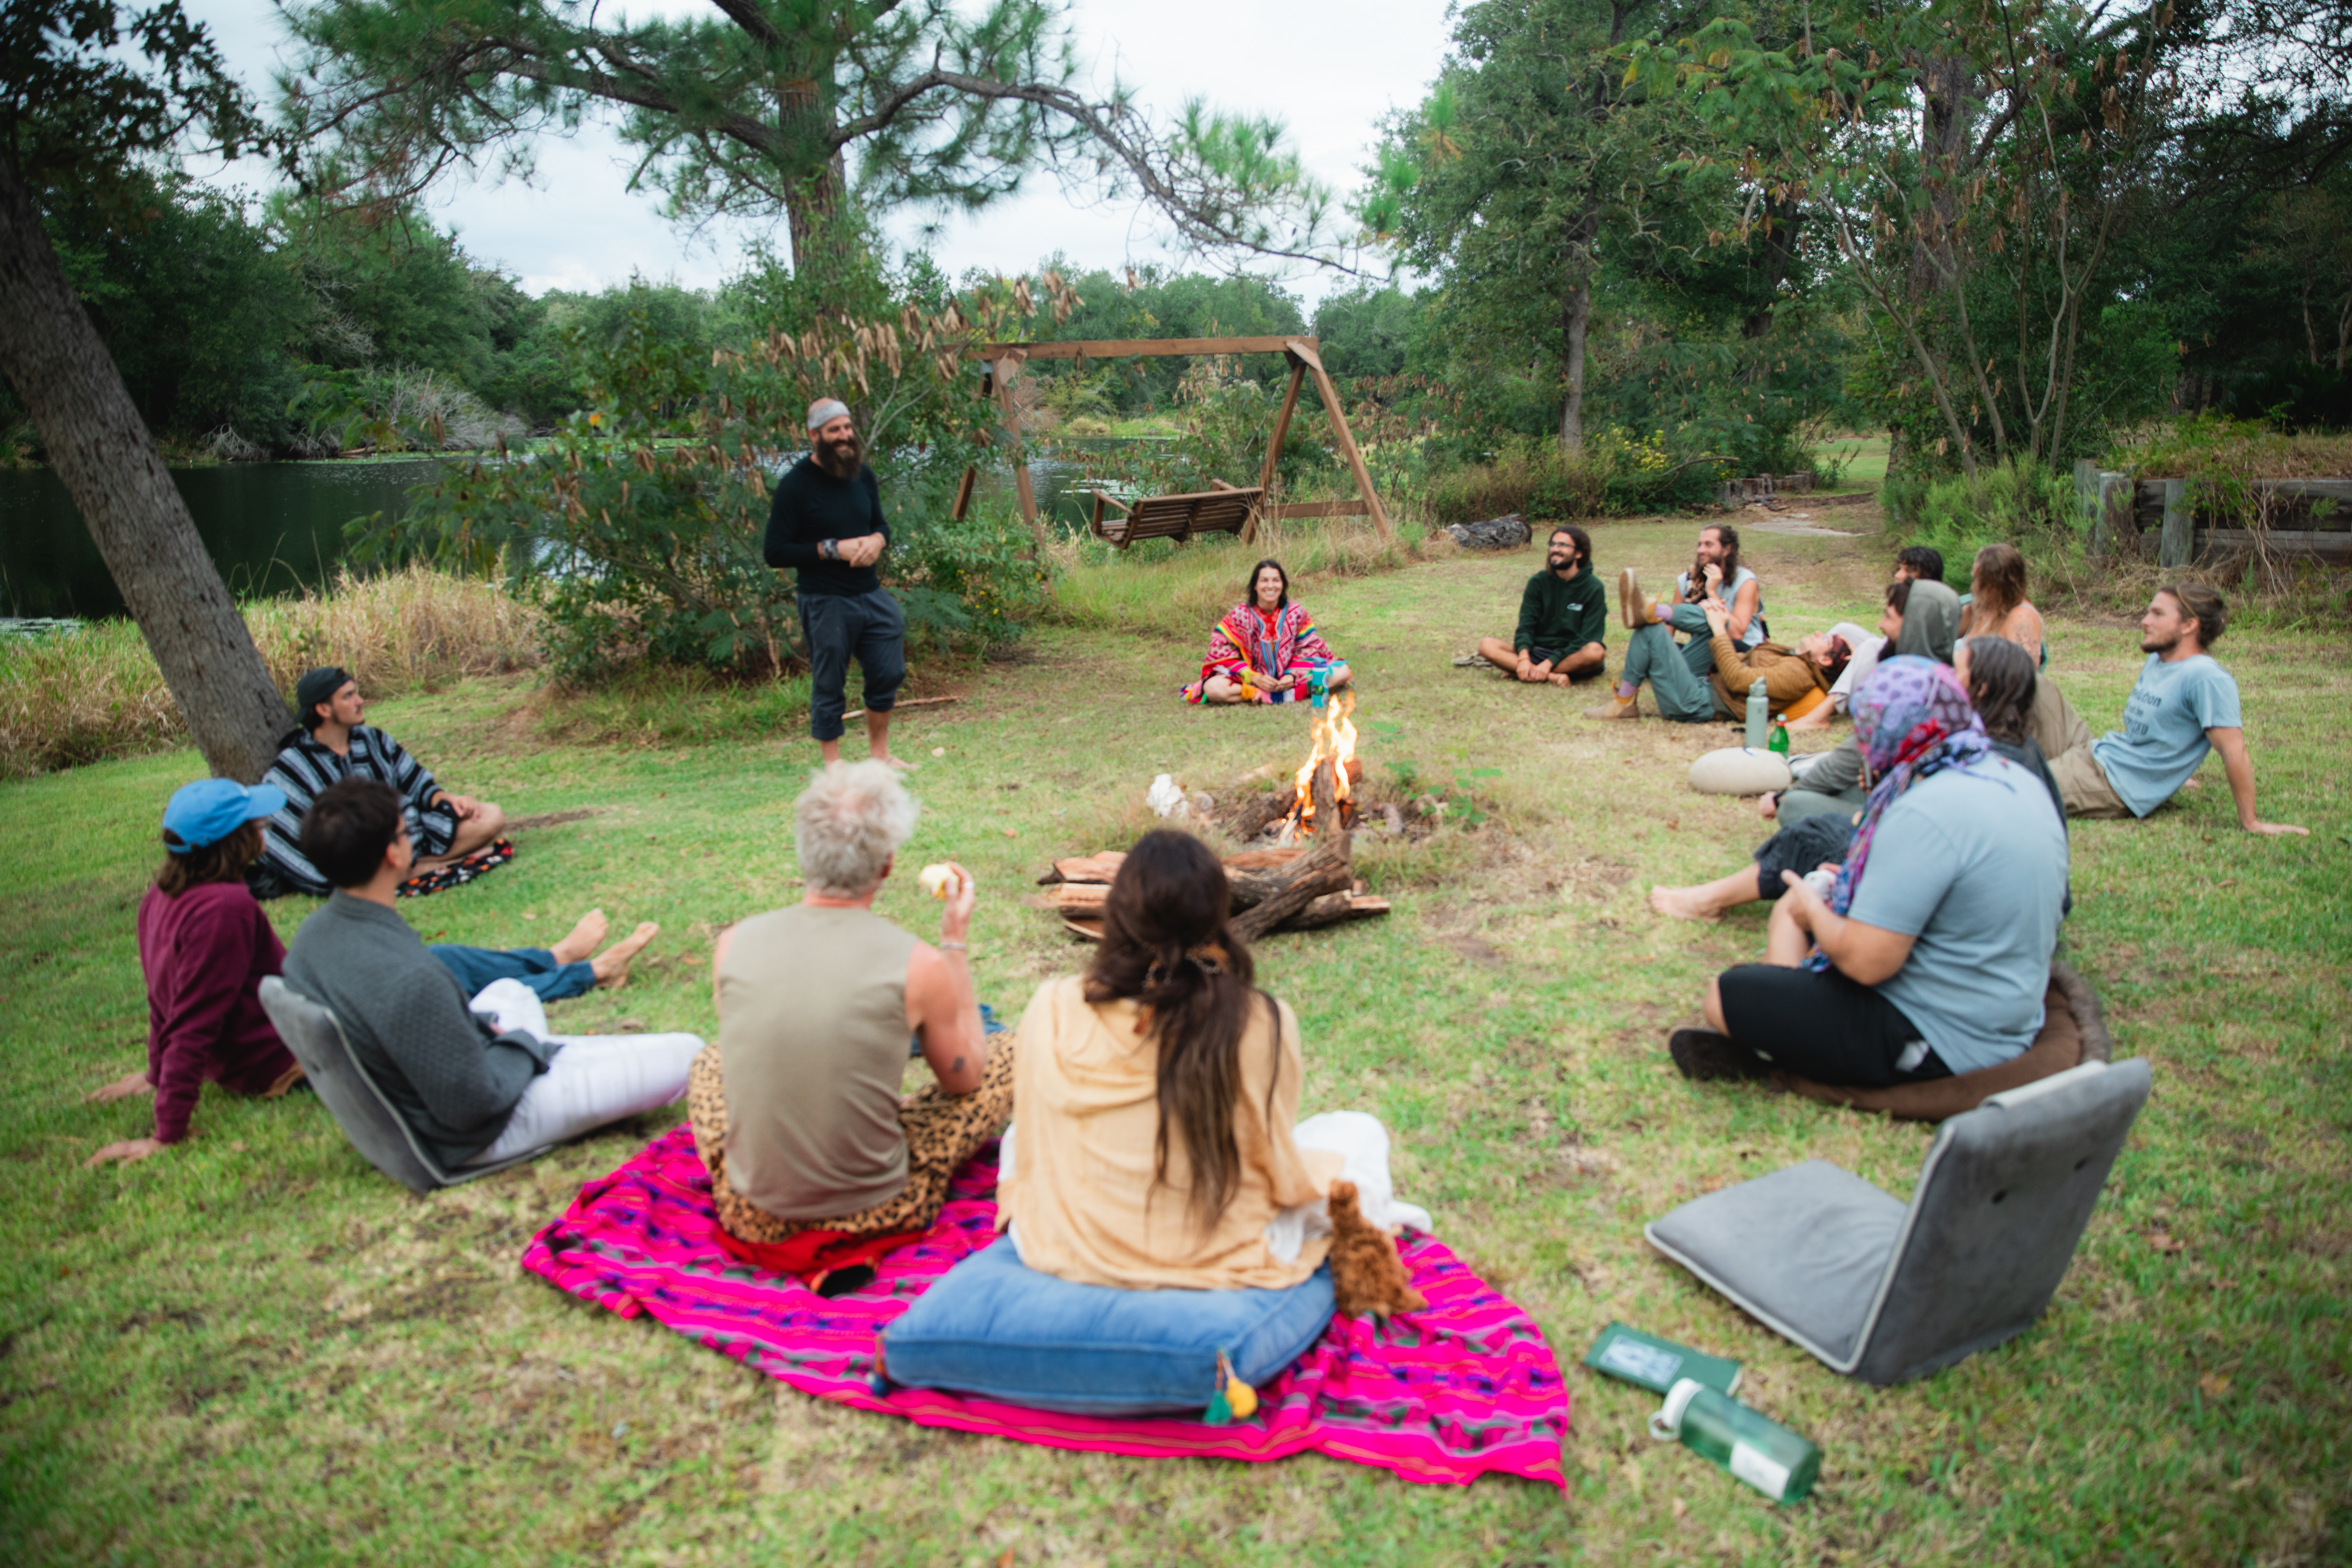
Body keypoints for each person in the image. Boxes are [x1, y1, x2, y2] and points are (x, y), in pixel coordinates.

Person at [85, 780, 662, 1167]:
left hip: (289, 1021)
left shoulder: (164, 898)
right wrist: (167, 1132)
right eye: (254, 821)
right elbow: (191, 1017)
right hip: (280, 1057)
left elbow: (165, 998)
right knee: (436, 978)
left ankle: (555, 957)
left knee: (442, 961)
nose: (265, 826)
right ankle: (588, 972)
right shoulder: (223, 910)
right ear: (233, 838)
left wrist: (156, 1073)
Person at [997, 831, 1420, 1290]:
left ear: (1117, 915)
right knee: (1360, 1132)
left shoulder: (1052, 1005)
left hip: (1065, 1245)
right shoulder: (1261, 1020)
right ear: (1219, 916)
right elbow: (1275, 1164)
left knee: (1016, 1137)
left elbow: (1034, 1141)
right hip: (1216, 1250)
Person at [1668, 657, 2070, 1088]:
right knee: (1801, 911)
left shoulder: (1924, 807)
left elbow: (1866, 963)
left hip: (1945, 1038)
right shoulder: (2007, 773)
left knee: (1728, 995)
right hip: (2005, 1010)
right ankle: (1787, 1020)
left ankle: (1782, 1049)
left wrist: (1814, 912)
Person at [282, 778, 702, 1169]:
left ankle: (566, 1002)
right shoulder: (410, 980)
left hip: (438, 1081)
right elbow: (474, 1102)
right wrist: (519, 1045)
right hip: (475, 1132)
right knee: (689, 1052)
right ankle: (562, 1032)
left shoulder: (313, 938)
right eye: (404, 830)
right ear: (394, 854)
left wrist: (491, 1034)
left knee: (509, 992)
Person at [688, 762, 1009, 1272]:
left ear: (805, 851)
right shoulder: (919, 963)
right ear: (886, 864)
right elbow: (964, 1079)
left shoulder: (732, 944)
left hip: (752, 1211)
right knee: (1006, 1056)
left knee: (709, 1062)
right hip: (878, 1209)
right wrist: (954, 943)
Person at [1650, 635, 2064, 921]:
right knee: (1831, 824)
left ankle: (1708, 900)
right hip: (1986, 893)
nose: (1945, 681)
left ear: (1982, 688)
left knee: (1813, 835)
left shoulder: (1979, 757)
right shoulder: (2010, 749)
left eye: (1956, 673)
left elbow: (1931, 835)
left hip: (1966, 901)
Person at [2044, 584, 2305, 833]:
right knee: (2032, 684)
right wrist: (2171, 773)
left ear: (2189, 625)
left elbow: (2233, 750)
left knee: (2012, 786)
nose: (2145, 621)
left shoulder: (2206, 677)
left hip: (2115, 783)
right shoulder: (2159, 660)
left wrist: (2251, 821)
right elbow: (2164, 732)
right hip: (2101, 752)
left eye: (2158, 614)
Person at [257, 666, 506, 897]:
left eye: (357, 694)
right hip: (358, 862)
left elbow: (419, 785)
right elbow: (284, 837)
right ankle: (431, 867)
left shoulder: (374, 740)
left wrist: (449, 800)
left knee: (492, 816)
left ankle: (416, 869)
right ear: (323, 709)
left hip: (410, 840)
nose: (360, 701)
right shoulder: (293, 766)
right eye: (349, 696)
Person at [765, 398, 911, 768]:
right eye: (835, 430)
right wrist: (833, 549)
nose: (845, 436)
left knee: (889, 670)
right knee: (830, 682)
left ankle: (880, 756)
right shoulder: (795, 486)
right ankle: (833, 765)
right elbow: (776, 551)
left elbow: (881, 526)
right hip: (825, 599)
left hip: (869, 593)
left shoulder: (862, 476)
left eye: (847, 428)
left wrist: (878, 541)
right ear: (815, 436)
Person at [1761, 576, 1962, 824]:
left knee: (1795, 806)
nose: (1880, 625)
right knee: (1849, 788)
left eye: (1888, 617)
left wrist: (1782, 799)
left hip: (1916, 819)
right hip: (1919, 798)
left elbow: (1847, 760)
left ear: (1914, 626)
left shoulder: (1905, 686)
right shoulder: (1953, 680)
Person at [1583, 596, 1849, 723]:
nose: (1818, 633)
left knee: (1651, 629)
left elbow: (1737, 680)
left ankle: (1624, 704)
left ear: (1825, 661)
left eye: (1825, 639)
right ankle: (1652, 609)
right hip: (1706, 683)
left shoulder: (1799, 675)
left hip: (1694, 703)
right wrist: (1718, 621)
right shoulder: (1795, 659)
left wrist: (1722, 629)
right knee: (1710, 621)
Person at [1184, 560, 1352, 704]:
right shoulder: (1240, 615)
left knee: (1342, 671)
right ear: (1255, 586)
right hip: (1251, 682)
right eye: (1264, 581)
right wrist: (1255, 678)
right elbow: (1221, 651)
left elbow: (1310, 649)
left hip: (1294, 680)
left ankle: (1280, 693)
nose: (1270, 586)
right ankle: (1263, 694)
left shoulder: (1296, 613)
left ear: (1283, 585)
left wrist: (1293, 676)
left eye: (1276, 580)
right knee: (1213, 688)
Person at [1474, 525, 1607, 686]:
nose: (1555, 549)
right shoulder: (1538, 582)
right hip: (1536, 651)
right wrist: (1523, 658)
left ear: (1579, 553)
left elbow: (1588, 637)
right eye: (1553, 544)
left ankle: (1528, 672)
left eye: (1563, 545)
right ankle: (1551, 677)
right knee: (1487, 645)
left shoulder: (1594, 588)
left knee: (1596, 652)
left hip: (1571, 655)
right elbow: (1526, 626)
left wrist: (1550, 663)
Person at [1960, 542, 2048, 669]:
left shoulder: (2022, 617)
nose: (1975, 587)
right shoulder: (1974, 609)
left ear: (1999, 584)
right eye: (1975, 579)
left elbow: (2025, 674)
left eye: (1981, 581)